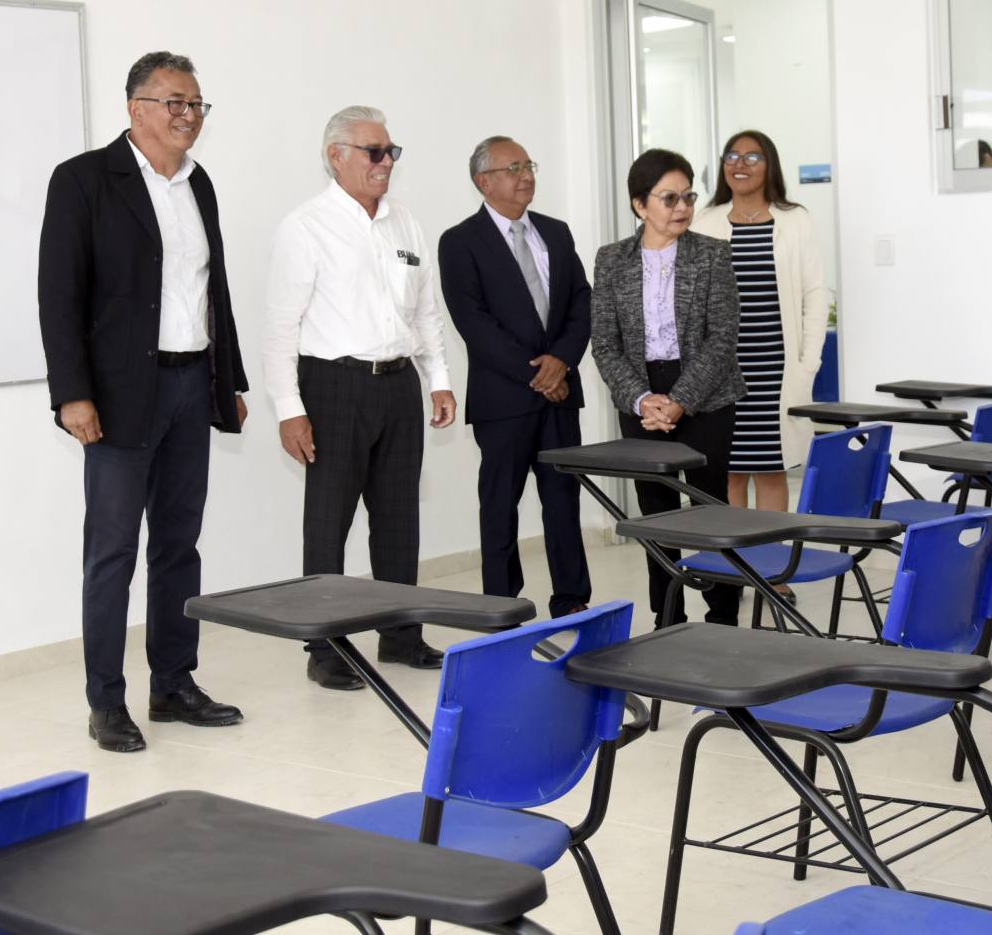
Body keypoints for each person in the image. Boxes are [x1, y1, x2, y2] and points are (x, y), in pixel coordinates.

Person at [38, 51, 247, 753]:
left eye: (196, 103)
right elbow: (58, 296)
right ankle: (106, 701)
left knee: (179, 545)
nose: (188, 115)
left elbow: (213, 291)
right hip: (120, 395)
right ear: (136, 108)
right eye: (174, 102)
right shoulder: (84, 180)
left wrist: (228, 381)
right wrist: (73, 394)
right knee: (113, 553)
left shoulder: (198, 183)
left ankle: (173, 685)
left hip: (192, 384)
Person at [262, 106, 456, 690]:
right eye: (374, 151)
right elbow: (280, 328)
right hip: (333, 386)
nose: (385, 162)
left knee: (398, 520)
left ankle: (400, 636)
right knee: (329, 523)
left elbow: (425, 311)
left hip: (398, 384)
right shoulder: (305, 226)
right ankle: (324, 648)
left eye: (391, 151)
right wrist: (290, 410)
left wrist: (438, 377)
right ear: (336, 156)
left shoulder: (405, 223)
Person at [592, 148, 747, 627]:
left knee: (709, 508)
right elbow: (605, 344)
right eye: (669, 198)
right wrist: (642, 399)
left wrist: (681, 400)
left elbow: (723, 338)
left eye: (688, 197)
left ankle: (722, 616)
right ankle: (669, 617)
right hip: (641, 394)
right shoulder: (611, 260)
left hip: (706, 394)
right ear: (640, 204)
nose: (682, 207)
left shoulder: (714, 254)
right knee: (655, 512)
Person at [438, 137, 593, 616]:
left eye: (529, 166)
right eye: (513, 168)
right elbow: (474, 323)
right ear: (484, 181)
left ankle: (571, 600)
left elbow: (581, 302)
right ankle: (503, 605)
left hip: (560, 395)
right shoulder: (460, 242)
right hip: (504, 399)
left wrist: (561, 361)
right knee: (500, 504)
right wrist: (540, 373)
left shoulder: (556, 232)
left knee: (563, 501)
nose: (526, 176)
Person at [691, 130, 827, 513]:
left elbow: (815, 295)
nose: (740, 164)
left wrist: (808, 363)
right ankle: (734, 554)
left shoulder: (795, 220)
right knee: (728, 472)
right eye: (732, 156)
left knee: (770, 471)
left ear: (770, 166)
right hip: (722, 374)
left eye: (752, 157)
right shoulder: (705, 222)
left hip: (775, 371)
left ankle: (771, 554)